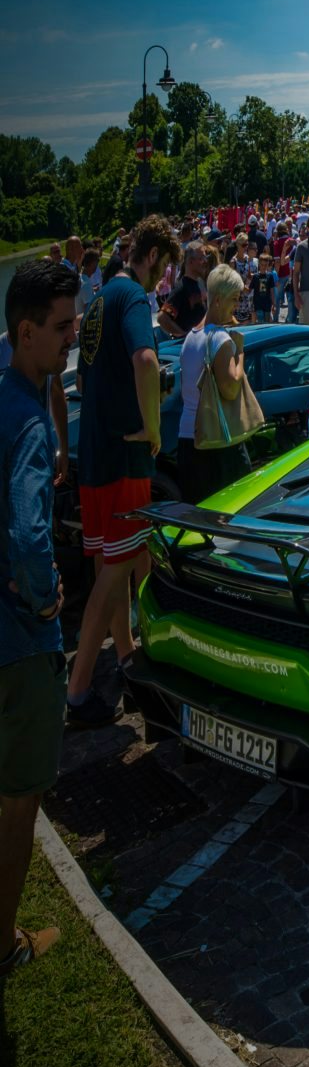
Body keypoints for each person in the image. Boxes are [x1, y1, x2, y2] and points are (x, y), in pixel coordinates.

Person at [64, 216, 177, 726]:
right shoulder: (132, 298)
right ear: (152, 256)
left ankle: (127, 654)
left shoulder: (97, 303)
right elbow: (147, 360)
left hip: (92, 454)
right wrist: (153, 429)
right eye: (164, 267)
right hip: (124, 457)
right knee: (116, 574)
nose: (163, 280)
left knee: (105, 564)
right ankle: (80, 688)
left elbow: (86, 382)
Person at [1, 260, 77, 975]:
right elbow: (28, 537)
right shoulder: (26, 419)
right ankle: (2, 944)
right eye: (60, 329)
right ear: (26, 332)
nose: (71, 340)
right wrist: (43, 595)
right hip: (20, 644)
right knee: (18, 803)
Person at [176, 264, 257, 500]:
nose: (237, 305)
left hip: (188, 438)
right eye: (234, 299)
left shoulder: (191, 337)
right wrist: (240, 352)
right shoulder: (220, 339)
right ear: (219, 300)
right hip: (218, 442)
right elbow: (231, 388)